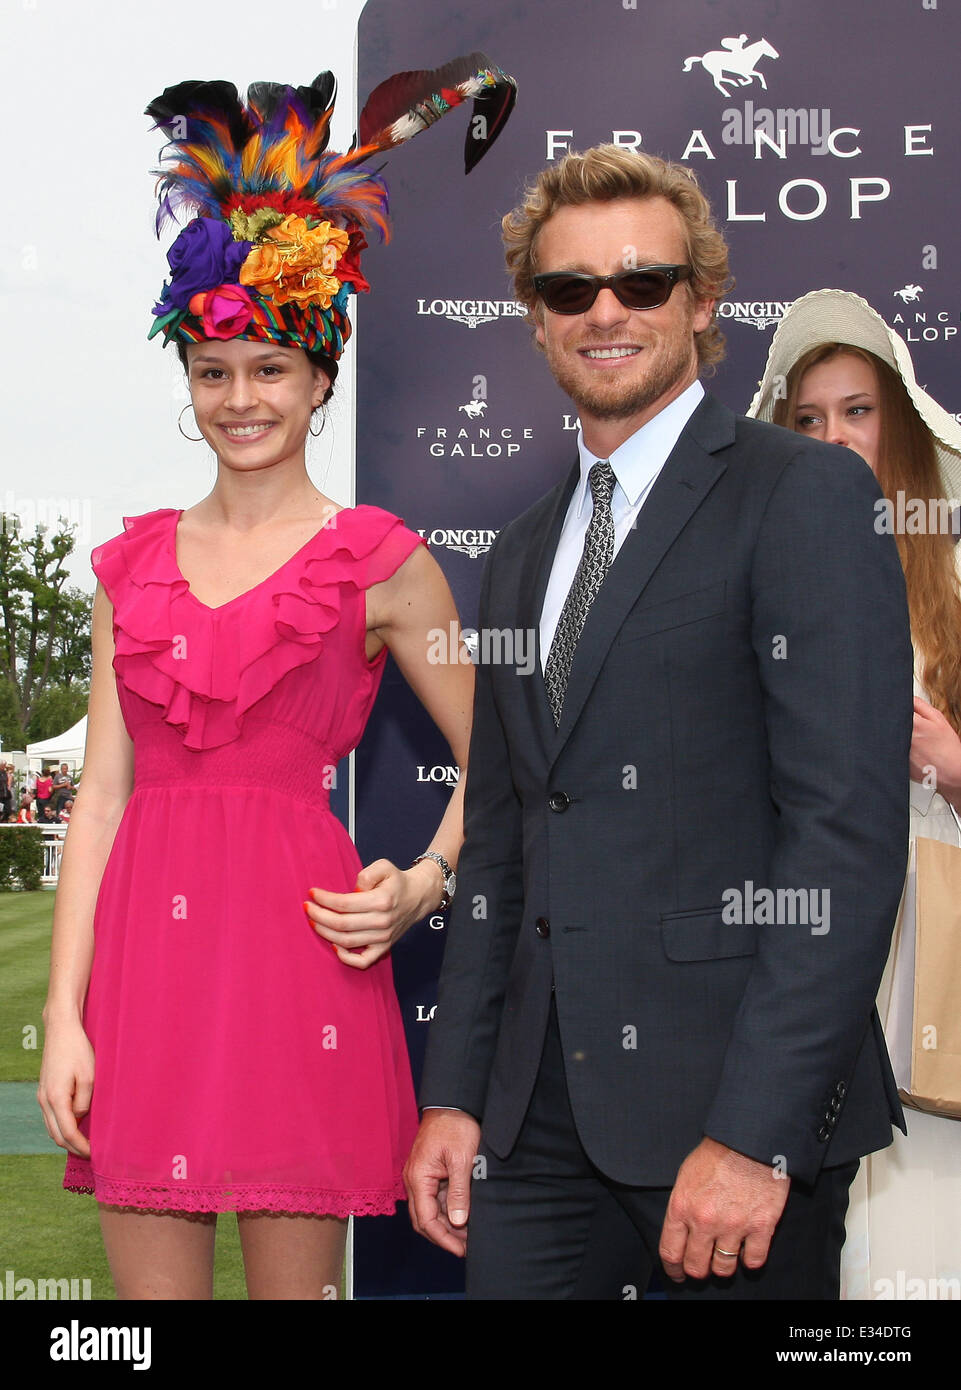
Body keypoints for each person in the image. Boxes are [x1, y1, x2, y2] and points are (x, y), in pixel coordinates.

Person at [37, 54, 515, 1301]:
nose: (241, 398)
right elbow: (97, 800)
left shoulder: (385, 563)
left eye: (269, 370)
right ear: (187, 388)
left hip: (308, 969)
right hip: (148, 977)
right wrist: (65, 1014)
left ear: (319, 378)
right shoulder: (127, 567)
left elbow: (506, 761)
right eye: (213, 372)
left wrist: (421, 883)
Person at [404, 145, 914, 1301]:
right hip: (532, 1130)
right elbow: (499, 844)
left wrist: (756, 1133)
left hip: (729, 1130)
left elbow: (841, 843)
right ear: (534, 318)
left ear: (700, 300)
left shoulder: (804, 494)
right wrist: (454, 1094)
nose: (605, 311)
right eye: (568, 288)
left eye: (641, 281)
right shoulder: (521, 550)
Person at [749, 288, 961, 1300]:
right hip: (808, 972)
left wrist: (951, 765)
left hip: (942, 974)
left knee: (921, 1260)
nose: (832, 437)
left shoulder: (955, 583)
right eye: (809, 417)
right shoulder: (752, 588)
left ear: (902, 426)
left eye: (857, 411)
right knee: (832, 1268)